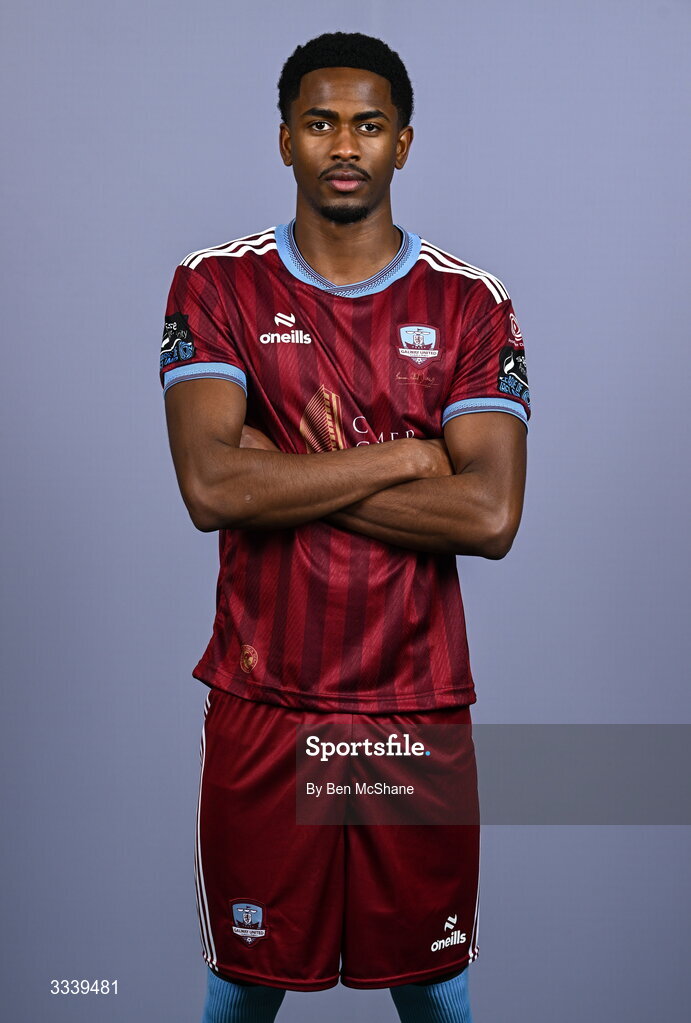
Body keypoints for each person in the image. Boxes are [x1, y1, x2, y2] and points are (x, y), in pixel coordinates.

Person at [160, 31, 530, 1023]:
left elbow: (489, 514)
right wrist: (410, 456)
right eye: (320, 122)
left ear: (403, 143)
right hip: (265, 699)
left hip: (413, 706)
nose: (343, 145)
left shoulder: (466, 302)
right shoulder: (217, 285)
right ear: (285, 138)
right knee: (240, 987)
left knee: (435, 987)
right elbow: (208, 489)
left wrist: (275, 470)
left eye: (368, 124)